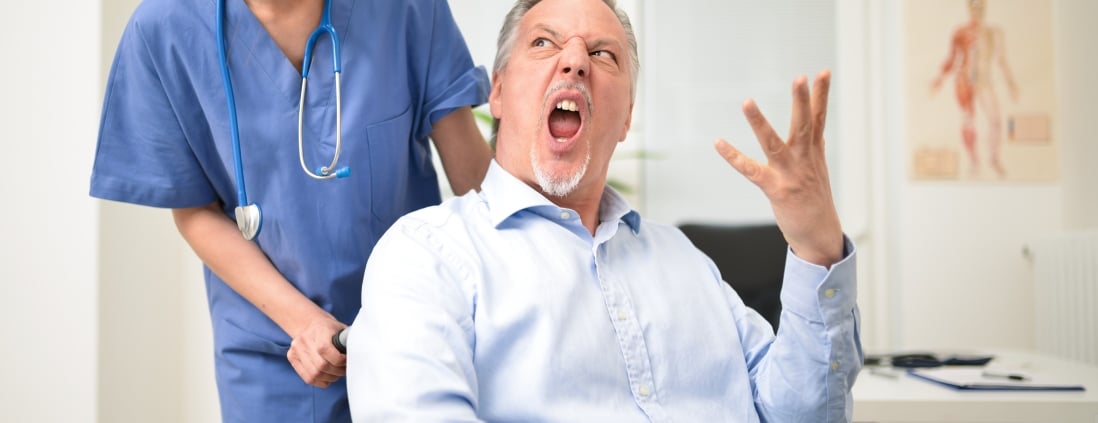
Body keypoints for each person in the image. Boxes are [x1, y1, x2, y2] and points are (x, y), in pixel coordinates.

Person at [346, 0, 862, 421]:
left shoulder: (687, 262)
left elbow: (802, 415)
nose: (574, 62)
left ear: (626, 118)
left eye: (603, 54)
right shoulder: (426, 256)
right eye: (544, 43)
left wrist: (817, 248)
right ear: (497, 92)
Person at [89, 0, 492, 421]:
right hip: (272, 353)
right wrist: (303, 322)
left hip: (416, 333)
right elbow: (195, 210)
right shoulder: (166, 26)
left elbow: (473, 181)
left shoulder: (405, 8)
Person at [931, 0, 1019, 178]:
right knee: (968, 122)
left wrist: (1011, 84)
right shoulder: (961, 32)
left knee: (995, 121)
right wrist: (939, 79)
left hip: (985, 82)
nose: (977, 10)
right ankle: (973, 161)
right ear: (968, 8)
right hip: (965, 82)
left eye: (981, 6)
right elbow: (952, 59)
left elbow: (1001, 60)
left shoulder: (994, 32)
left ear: (986, 7)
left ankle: (994, 159)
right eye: (973, 6)